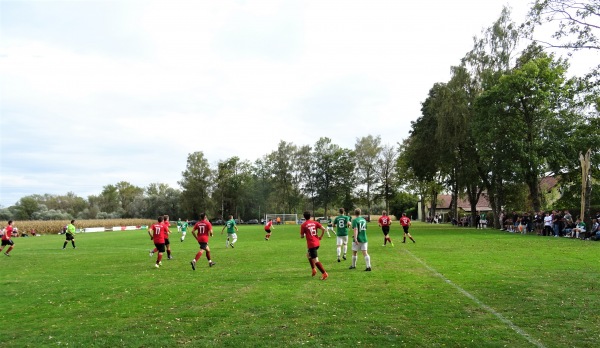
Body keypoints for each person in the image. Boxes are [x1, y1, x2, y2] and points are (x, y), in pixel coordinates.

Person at [300, 211, 328, 280]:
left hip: (311, 244)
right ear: (310, 216)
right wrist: (321, 236)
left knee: (316, 260)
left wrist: (304, 234)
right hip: (317, 243)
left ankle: (324, 273)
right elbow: (324, 229)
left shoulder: (303, 225)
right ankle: (313, 269)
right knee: (308, 255)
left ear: (304, 217)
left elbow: (301, 236)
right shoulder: (315, 222)